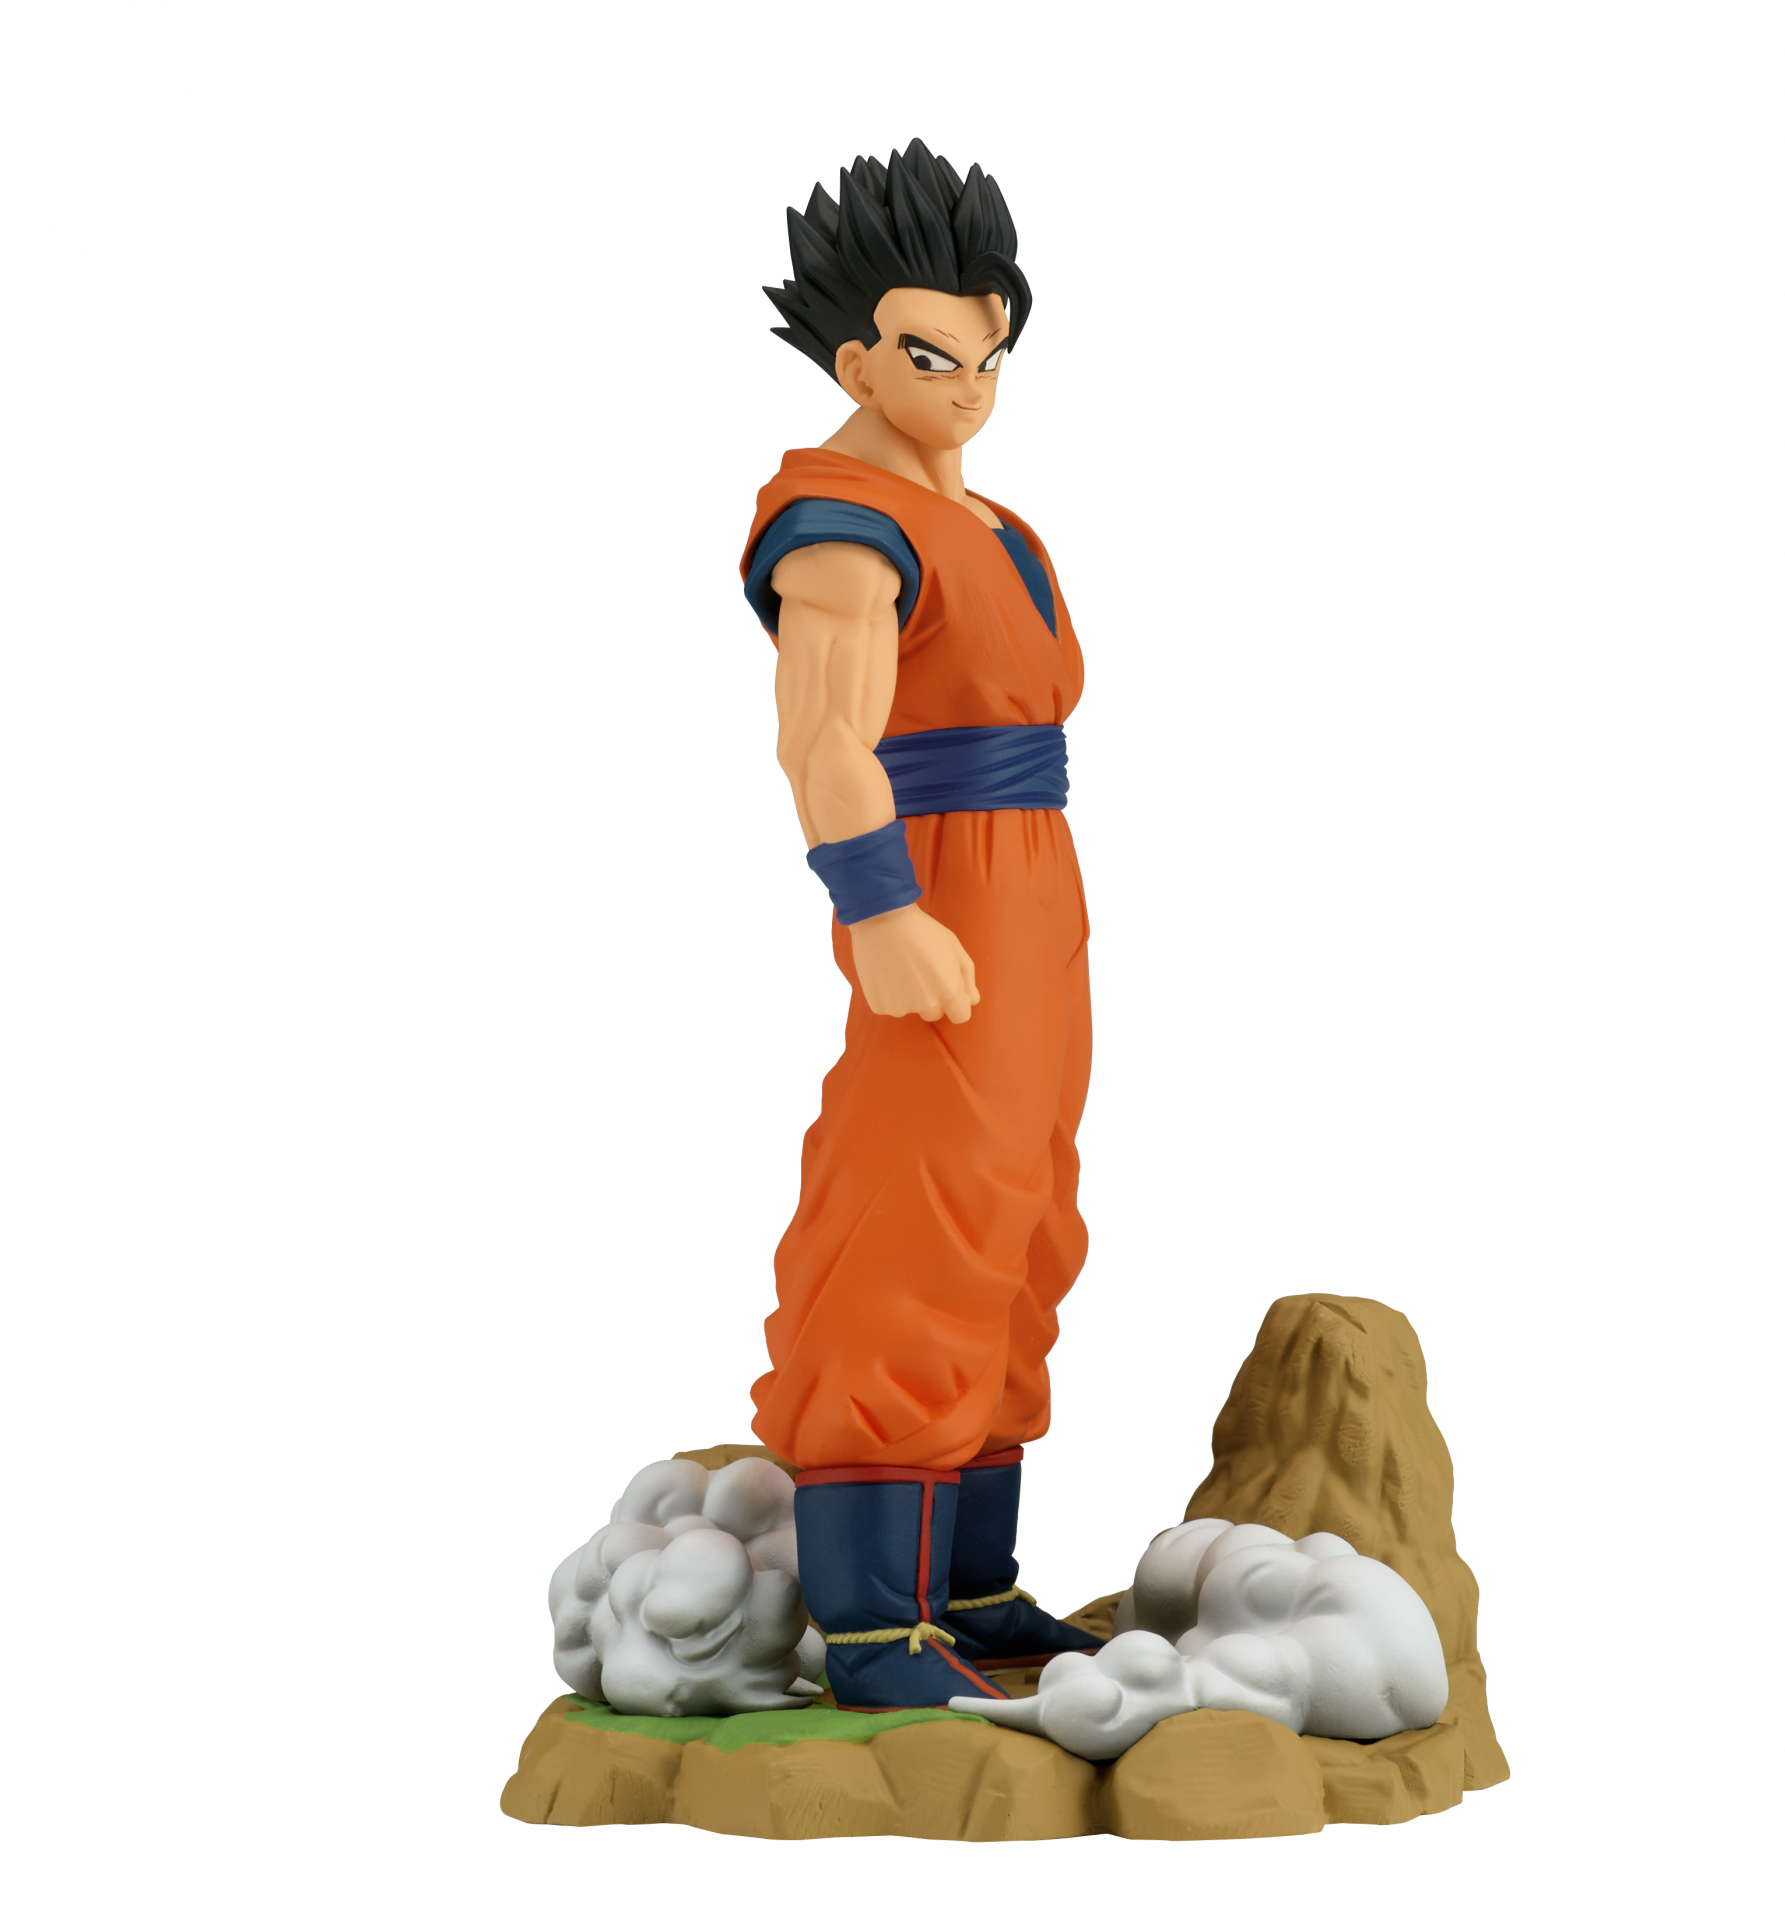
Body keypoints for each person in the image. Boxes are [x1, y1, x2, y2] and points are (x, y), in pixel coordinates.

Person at [738, 141, 1103, 1711]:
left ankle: (976, 1586)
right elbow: (823, 738)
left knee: (1026, 1218)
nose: (970, 388)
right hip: (937, 880)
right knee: (914, 1214)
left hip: (1037, 895)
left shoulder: (999, 523)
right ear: (857, 363)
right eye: (933, 358)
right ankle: (874, 1621)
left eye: (991, 356)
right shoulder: (839, 522)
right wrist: (880, 907)